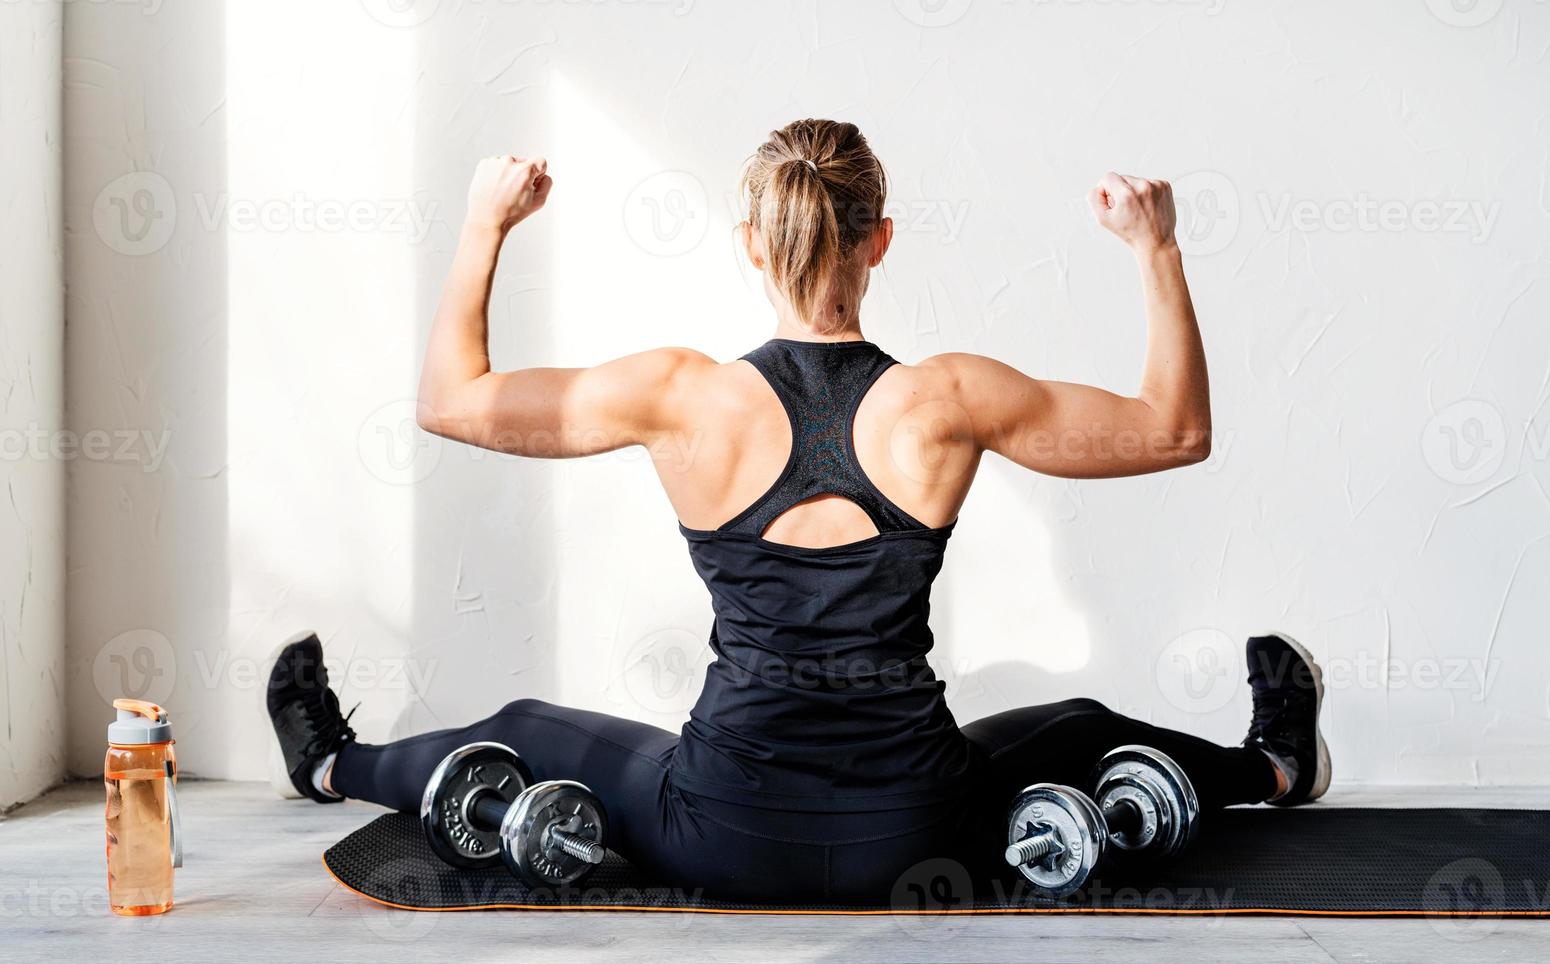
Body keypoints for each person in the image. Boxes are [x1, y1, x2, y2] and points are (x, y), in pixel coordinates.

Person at [268, 119, 1329, 903]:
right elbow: (1172, 429)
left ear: (750, 241)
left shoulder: (678, 396)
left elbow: (449, 402)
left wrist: (482, 223)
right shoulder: (947, 400)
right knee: (1079, 728)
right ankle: (1275, 764)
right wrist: (1155, 248)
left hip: (717, 829)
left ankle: (327, 763)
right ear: (878, 241)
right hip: (917, 835)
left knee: (520, 729)